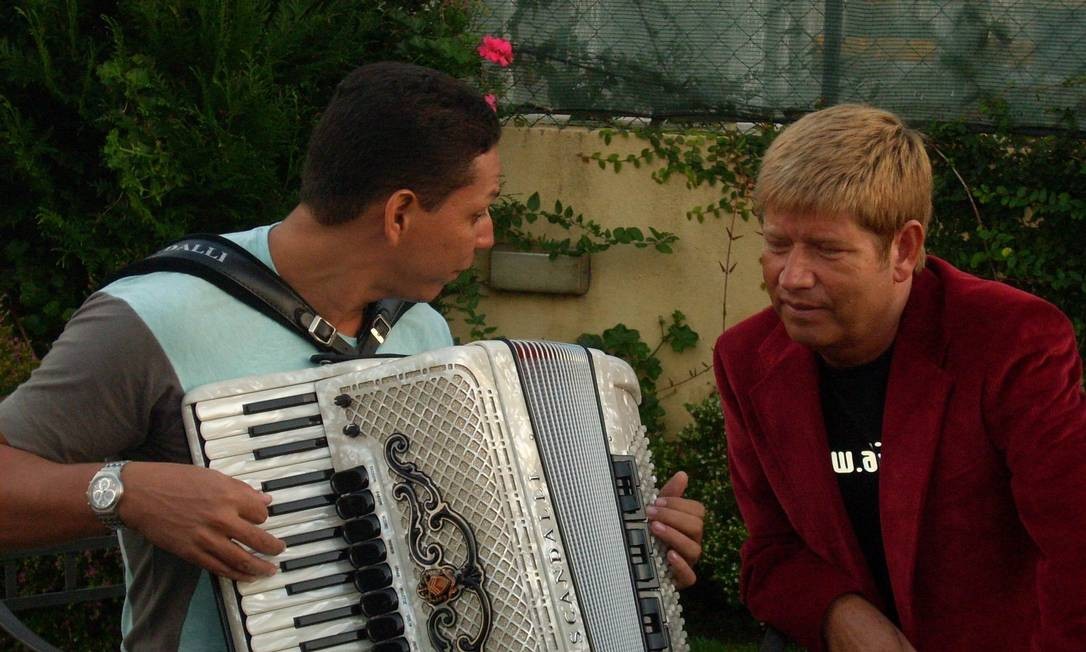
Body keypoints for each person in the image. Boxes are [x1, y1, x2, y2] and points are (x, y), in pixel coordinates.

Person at [0, 62, 704, 650]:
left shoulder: (422, 333)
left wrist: (627, 537)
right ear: (399, 214)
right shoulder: (153, 320)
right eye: (476, 211)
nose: (486, 237)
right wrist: (127, 492)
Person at [713, 104, 1086, 651]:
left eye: (827, 249)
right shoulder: (746, 358)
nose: (791, 277)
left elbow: (1076, 544)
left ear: (904, 249)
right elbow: (771, 551)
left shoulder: (1009, 340)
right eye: (776, 244)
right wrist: (843, 617)